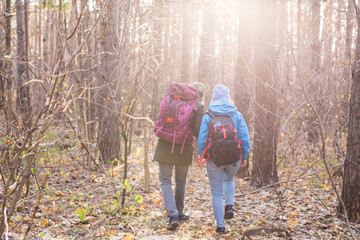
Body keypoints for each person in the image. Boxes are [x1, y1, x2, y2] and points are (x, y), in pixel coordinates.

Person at [197, 84, 250, 234]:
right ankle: (229, 205)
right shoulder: (236, 114)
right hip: (234, 158)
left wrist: (202, 155)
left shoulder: (208, 116)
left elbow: (201, 140)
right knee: (229, 179)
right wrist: (244, 156)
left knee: (216, 193)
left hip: (214, 159)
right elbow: (245, 138)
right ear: (228, 97)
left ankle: (220, 227)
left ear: (214, 98)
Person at [153, 82, 205, 230]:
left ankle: (173, 215)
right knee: (181, 181)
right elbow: (198, 130)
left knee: (165, 180)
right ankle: (179, 212)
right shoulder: (197, 106)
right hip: (184, 146)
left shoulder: (170, 99)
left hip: (164, 144)